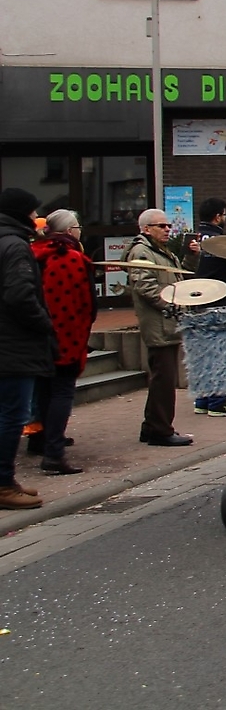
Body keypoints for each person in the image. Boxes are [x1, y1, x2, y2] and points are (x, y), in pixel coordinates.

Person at [29, 211, 94, 475]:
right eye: (78, 227)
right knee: (61, 392)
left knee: (44, 391)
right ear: (69, 231)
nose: (80, 231)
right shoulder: (69, 258)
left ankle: (42, 440)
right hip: (65, 337)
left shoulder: (36, 252)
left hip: (38, 337)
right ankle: (54, 452)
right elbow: (78, 303)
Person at [0, 188, 52, 509]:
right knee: (12, 416)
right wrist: (44, 324)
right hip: (13, 346)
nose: (36, 218)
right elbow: (20, 295)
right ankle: (4, 484)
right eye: (33, 212)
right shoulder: (15, 245)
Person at [124, 210, 193, 448]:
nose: (167, 229)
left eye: (168, 225)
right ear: (146, 228)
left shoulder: (160, 250)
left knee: (163, 378)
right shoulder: (142, 252)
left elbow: (179, 278)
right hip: (159, 324)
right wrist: (171, 305)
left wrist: (191, 256)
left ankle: (151, 426)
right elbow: (145, 286)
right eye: (161, 226)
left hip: (167, 323)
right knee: (163, 379)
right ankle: (161, 430)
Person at [191, 198, 226, 417]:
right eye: (223, 215)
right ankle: (219, 401)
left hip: (199, 299)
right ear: (217, 216)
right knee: (222, 351)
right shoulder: (221, 242)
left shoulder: (195, 239)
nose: (224, 219)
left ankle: (203, 399)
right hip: (222, 300)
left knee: (205, 351)